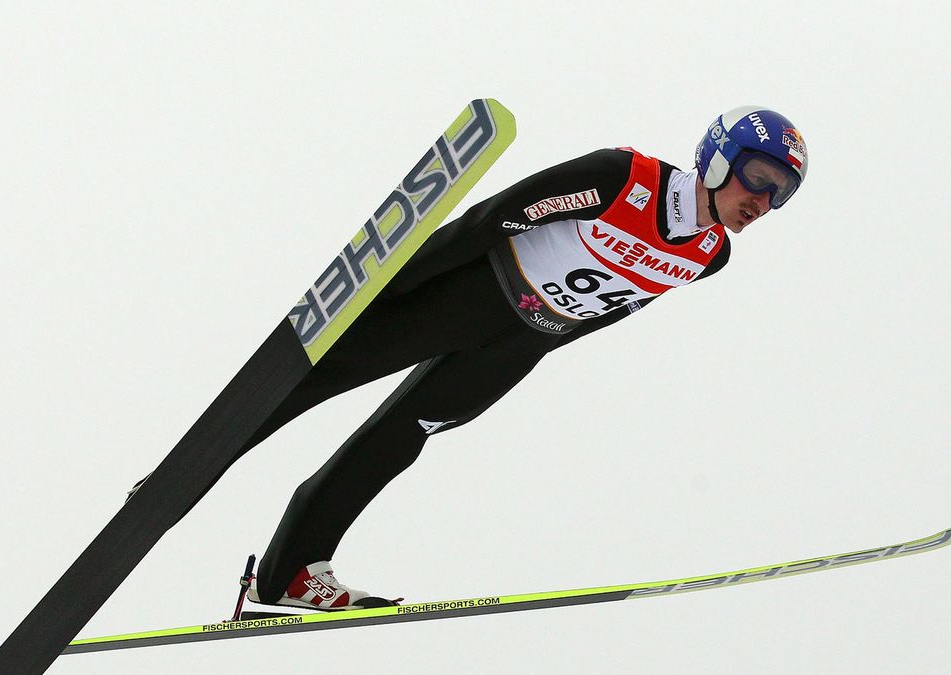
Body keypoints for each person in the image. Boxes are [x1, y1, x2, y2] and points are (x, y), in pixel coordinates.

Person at [237, 105, 810, 609]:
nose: (761, 202)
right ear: (717, 159)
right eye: (758, 179)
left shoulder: (710, 256)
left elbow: (611, 308)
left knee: (401, 438)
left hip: (519, 342)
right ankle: (177, 476)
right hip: (470, 294)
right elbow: (494, 218)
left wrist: (538, 346)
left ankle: (292, 570)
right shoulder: (622, 178)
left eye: (777, 194)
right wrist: (390, 287)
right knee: (314, 378)